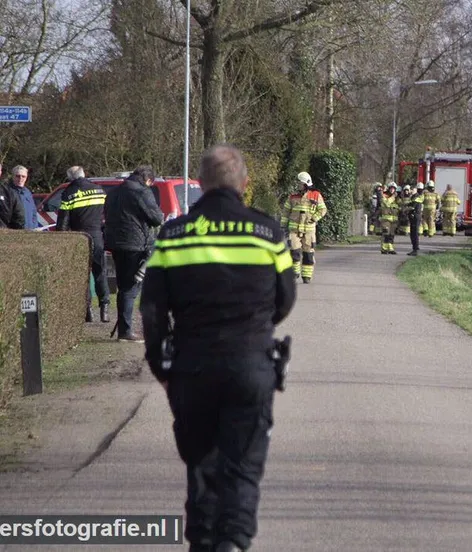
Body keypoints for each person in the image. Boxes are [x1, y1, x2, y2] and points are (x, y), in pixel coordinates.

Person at [140, 144, 296, 552]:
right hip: (250, 365)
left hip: (192, 367)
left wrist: (161, 365)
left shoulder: (172, 236)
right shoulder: (268, 233)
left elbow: (152, 308)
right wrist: (255, 329)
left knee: (201, 466)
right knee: (242, 466)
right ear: (244, 184)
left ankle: (204, 542)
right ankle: (233, 541)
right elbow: (285, 299)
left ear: (200, 185)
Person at [103, 165, 163, 342]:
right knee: (131, 287)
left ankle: (124, 327)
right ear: (148, 180)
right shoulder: (142, 192)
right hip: (135, 244)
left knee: (123, 286)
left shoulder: (114, 192)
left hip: (115, 243)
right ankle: (126, 331)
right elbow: (156, 218)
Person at [56, 166, 110, 323]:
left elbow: (63, 221)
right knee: (100, 272)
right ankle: (105, 308)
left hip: (79, 238)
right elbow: (106, 215)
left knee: (83, 275)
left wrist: (62, 240)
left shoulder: (69, 193)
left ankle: (88, 311)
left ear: (70, 178)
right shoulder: (99, 190)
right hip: (97, 236)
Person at [281, 171, 327, 283]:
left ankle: (306, 276)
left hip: (309, 230)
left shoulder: (316, 195)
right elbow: (286, 212)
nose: (298, 185)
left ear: (306, 184)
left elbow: (322, 209)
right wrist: (283, 226)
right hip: (294, 229)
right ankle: (294, 273)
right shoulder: (292, 196)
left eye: (300, 183)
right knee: (294, 251)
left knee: (308, 254)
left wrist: (314, 218)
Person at [0, 163, 25, 229]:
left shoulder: (9, 193)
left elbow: (19, 216)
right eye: (18, 176)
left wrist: (13, 234)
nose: (20, 178)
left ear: (0, 172)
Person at [379, 183, 400, 254]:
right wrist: (393, 197)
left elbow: (399, 207)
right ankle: (384, 249)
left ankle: (390, 248)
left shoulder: (396, 198)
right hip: (386, 220)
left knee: (391, 235)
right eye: (391, 188)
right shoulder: (384, 195)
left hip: (394, 220)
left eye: (393, 188)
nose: (392, 190)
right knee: (386, 234)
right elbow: (387, 203)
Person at [407, 183, 425, 256]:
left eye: (412, 189)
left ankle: (415, 249)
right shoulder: (414, 197)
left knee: (414, 233)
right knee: (412, 233)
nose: (411, 191)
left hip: (415, 216)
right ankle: (414, 248)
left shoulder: (416, 197)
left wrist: (405, 209)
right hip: (413, 216)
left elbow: (412, 206)